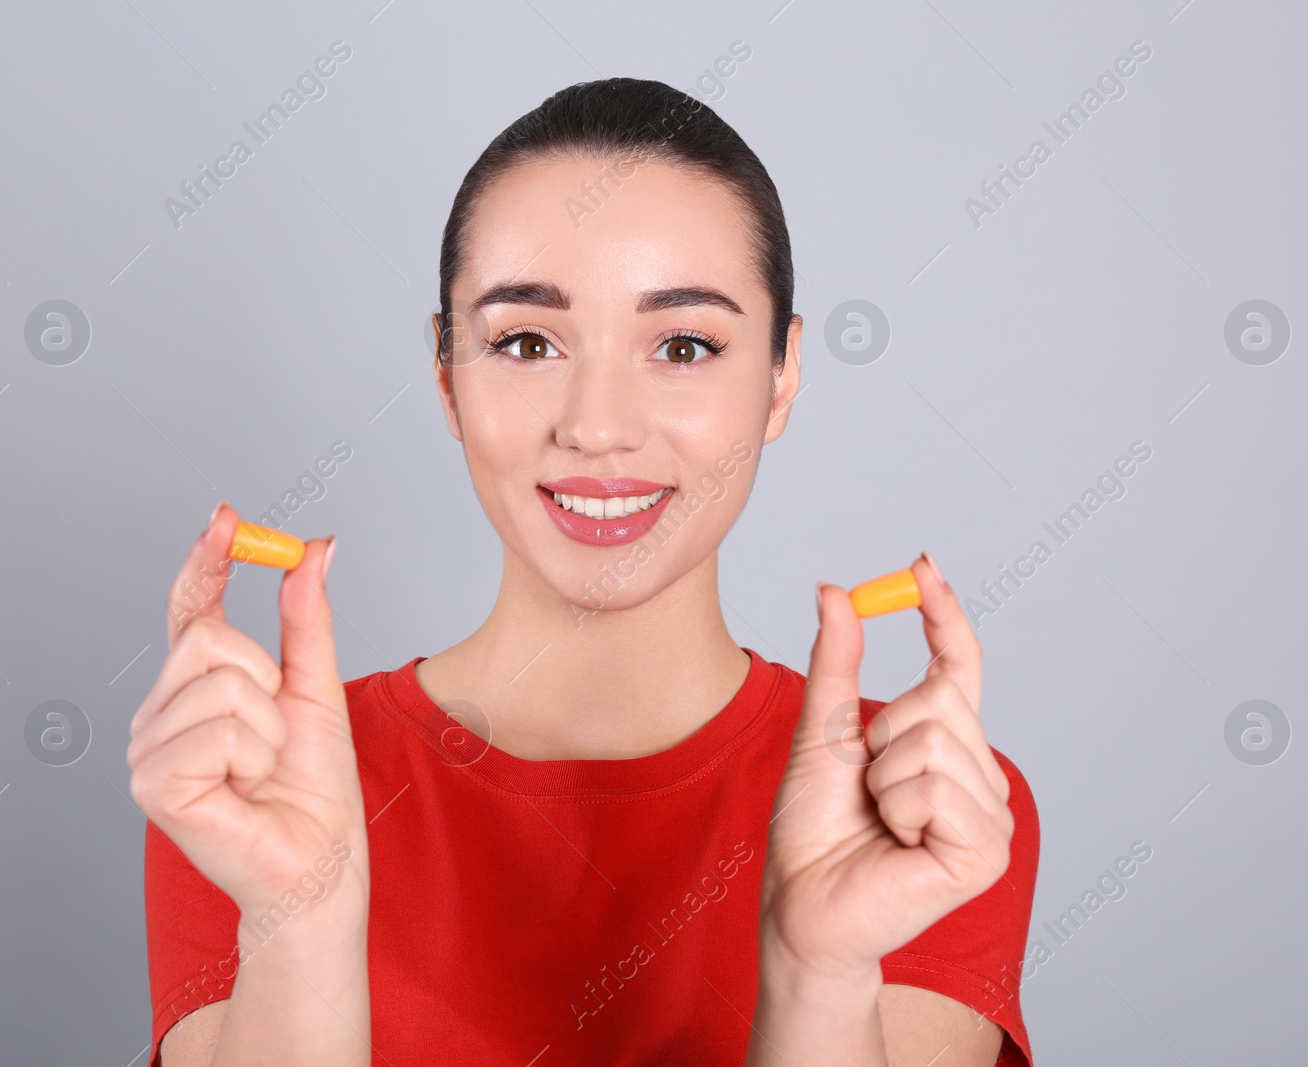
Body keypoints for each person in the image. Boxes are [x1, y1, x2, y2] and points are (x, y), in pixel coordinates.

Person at [130, 77, 1039, 1067]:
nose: (597, 425)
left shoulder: (921, 802)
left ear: (782, 374)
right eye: (525, 341)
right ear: (446, 372)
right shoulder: (249, 779)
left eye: (684, 344)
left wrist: (816, 973)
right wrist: (297, 922)